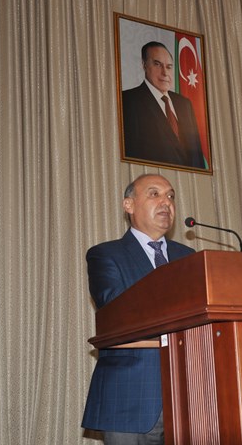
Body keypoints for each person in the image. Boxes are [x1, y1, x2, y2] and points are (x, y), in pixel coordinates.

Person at [82, 174, 196, 444]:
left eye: (170, 196)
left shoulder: (189, 258)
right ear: (129, 205)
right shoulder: (106, 254)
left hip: (189, 400)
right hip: (131, 400)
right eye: (154, 194)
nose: (166, 202)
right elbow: (118, 310)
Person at [122, 41, 205, 169]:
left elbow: (197, 156)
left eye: (169, 67)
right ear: (144, 65)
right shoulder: (128, 100)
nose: (165, 73)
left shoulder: (185, 104)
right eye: (157, 64)